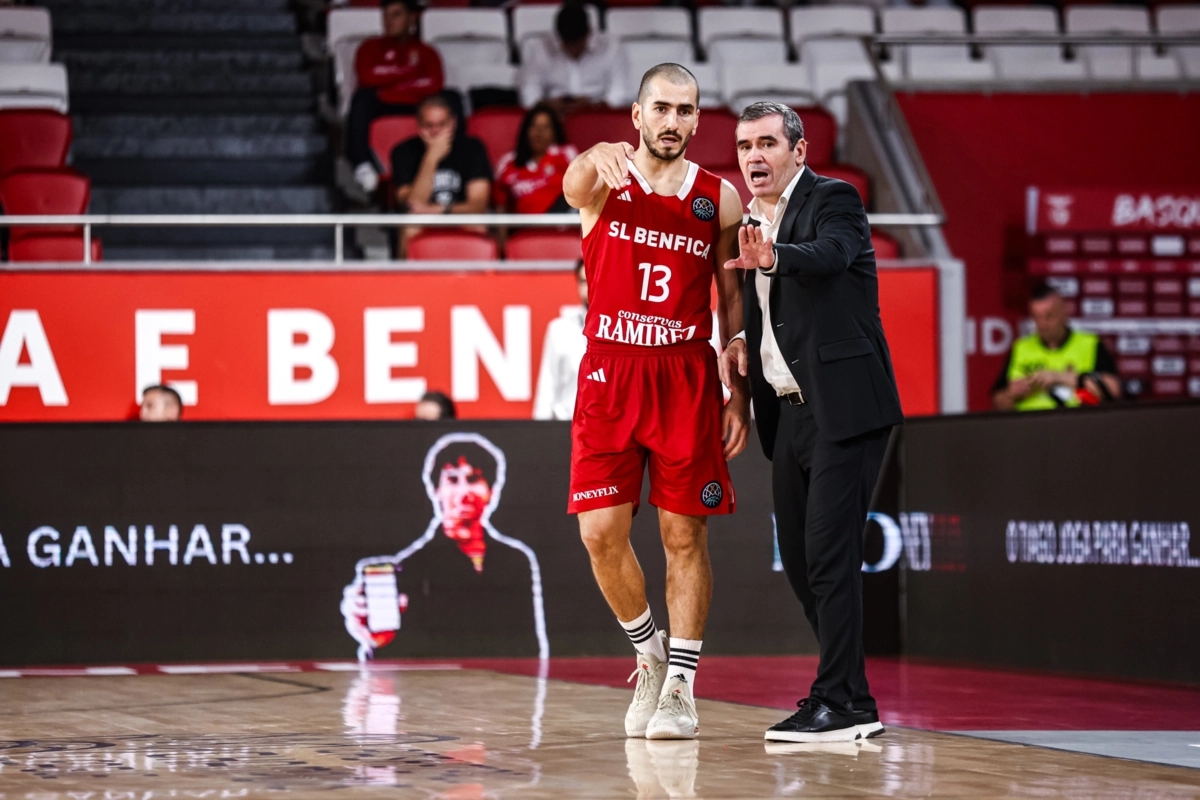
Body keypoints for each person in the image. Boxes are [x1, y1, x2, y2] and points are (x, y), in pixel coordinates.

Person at [563, 63, 749, 740]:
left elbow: (731, 298)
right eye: (661, 108)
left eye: (685, 110)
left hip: (684, 375)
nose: (673, 121)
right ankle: (648, 653)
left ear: (697, 120)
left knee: (684, 535)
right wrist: (593, 152)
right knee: (598, 533)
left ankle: (680, 688)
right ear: (637, 115)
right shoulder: (603, 179)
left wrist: (738, 396)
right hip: (611, 372)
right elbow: (570, 185)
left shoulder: (718, 198)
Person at [719, 102, 903, 743]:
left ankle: (836, 701)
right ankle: (853, 699)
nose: (754, 156)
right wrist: (741, 341)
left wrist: (774, 257)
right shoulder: (749, 222)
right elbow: (769, 312)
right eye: (745, 146)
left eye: (767, 143)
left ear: (798, 151)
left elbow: (831, 254)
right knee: (801, 563)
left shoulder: (834, 199)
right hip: (788, 410)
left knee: (829, 556)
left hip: (844, 407)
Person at [341, 433, 548, 661]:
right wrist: (374, 641)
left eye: (473, 479)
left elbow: (529, 646)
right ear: (435, 490)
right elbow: (396, 656)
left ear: (492, 489)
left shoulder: (516, 560)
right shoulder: (408, 570)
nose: (463, 492)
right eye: (452, 479)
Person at [347, 0, 445, 194]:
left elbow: (434, 83)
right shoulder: (369, 47)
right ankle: (362, 165)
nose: (389, 21)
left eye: (396, 14)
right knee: (361, 98)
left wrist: (391, 86)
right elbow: (367, 76)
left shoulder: (427, 52)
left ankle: (453, 162)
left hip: (416, 104)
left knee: (451, 99)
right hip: (381, 104)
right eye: (385, 15)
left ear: (411, 18)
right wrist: (409, 71)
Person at [992, 282, 1121, 411]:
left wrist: (1059, 378)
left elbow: (1113, 391)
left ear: (1064, 312)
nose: (1043, 324)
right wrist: (1011, 394)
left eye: (1049, 316)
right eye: (1037, 318)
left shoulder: (1089, 344)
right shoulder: (1020, 348)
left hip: (1077, 419)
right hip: (1029, 420)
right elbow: (997, 402)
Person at [391, 93, 491, 216]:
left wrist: (439, 210)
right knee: (411, 225)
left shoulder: (473, 148)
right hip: (421, 220)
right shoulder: (403, 151)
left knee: (477, 223)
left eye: (442, 124)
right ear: (418, 125)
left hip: (459, 217)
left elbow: (478, 206)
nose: (436, 131)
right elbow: (411, 207)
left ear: (453, 122)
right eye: (429, 125)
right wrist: (431, 157)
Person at [519, 1, 624, 113]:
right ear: (558, 36)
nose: (573, 50)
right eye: (568, 44)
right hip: (553, 115)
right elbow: (529, 90)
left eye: (577, 44)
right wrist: (547, 105)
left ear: (588, 33)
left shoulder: (611, 47)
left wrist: (593, 106)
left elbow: (620, 91)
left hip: (597, 114)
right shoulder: (541, 49)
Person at [494, 104, 578, 214]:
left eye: (546, 127)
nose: (539, 133)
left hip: (562, 221)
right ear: (526, 130)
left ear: (555, 132)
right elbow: (500, 204)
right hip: (523, 223)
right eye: (534, 126)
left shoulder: (566, 154)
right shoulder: (508, 162)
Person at [533, 260, 588, 420]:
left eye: (595, 279)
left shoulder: (623, 330)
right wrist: (538, 431)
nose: (590, 287)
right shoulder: (560, 329)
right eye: (584, 281)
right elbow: (547, 386)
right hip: (568, 425)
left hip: (610, 428)